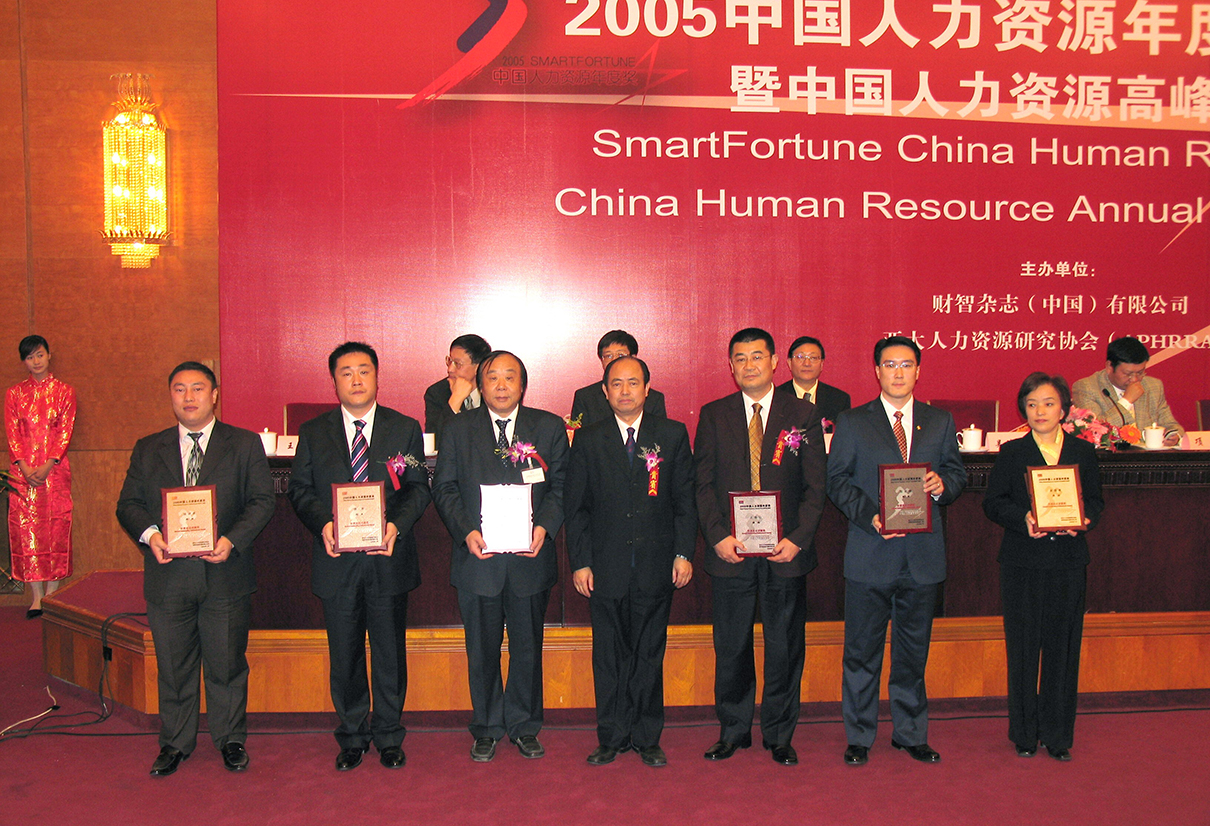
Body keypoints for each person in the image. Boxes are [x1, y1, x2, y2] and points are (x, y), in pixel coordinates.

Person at [116, 362, 275, 777]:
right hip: (168, 577)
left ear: (214, 395)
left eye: (198, 388)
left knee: (227, 663)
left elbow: (262, 501)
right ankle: (175, 742)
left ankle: (231, 739)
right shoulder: (148, 448)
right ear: (170, 395)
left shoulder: (243, 444)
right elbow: (128, 504)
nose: (188, 397)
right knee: (173, 665)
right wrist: (151, 535)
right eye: (179, 389)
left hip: (225, 573)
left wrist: (232, 540)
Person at [287, 342, 431, 771]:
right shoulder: (314, 432)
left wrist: (396, 526)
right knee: (345, 652)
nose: (356, 379)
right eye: (346, 372)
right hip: (337, 560)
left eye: (364, 371)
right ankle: (351, 735)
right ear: (334, 381)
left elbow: (418, 488)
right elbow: (300, 490)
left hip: (388, 557)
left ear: (377, 377)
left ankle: (388, 735)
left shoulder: (403, 428)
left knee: (389, 652)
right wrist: (324, 525)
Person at [827, 335, 967, 767]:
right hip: (870, 552)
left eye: (906, 364)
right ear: (877, 371)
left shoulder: (939, 421)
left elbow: (956, 473)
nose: (898, 372)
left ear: (918, 371)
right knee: (861, 653)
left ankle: (910, 733)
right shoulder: (853, 421)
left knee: (913, 652)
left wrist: (942, 486)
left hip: (922, 558)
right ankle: (859, 735)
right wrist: (871, 516)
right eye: (890, 365)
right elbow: (837, 481)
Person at [695, 328, 826, 767]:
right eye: (740, 358)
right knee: (731, 645)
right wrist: (717, 536)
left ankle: (779, 734)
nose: (749, 365)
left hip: (784, 552)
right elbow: (702, 484)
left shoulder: (802, 413)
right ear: (730, 366)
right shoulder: (715, 414)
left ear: (774, 362)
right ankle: (733, 730)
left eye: (757, 356)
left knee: (784, 646)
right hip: (731, 551)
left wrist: (798, 539)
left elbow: (815, 486)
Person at [432, 351, 568, 762]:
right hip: (479, 558)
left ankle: (524, 726)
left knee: (527, 648)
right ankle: (488, 726)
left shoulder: (548, 426)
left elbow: (562, 485)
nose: (502, 385)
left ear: (523, 385)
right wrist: (466, 531)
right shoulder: (458, 429)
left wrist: (545, 526)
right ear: (481, 384)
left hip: (530, 557)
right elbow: (445, 487)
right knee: (482, 650)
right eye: (493, 377)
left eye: (511, 377)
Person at [564, 356, 696, 767]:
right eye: (616, 384)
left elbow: (684, 502)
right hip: (605, 567)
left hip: (657, 565)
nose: (625, 391)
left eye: (633, 383)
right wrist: (580, 561)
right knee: (608, 656)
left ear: (647, 389)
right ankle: (611, 736)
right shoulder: (588, 439)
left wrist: (683, 553)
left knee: (649, 654)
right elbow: (576, 508)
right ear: (605, 392)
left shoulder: (671, 434)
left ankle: (647, 737)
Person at [983, 373, 1103, 761]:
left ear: (1064, 409)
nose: (1040, 411)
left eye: (1048, 404)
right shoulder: (1012, 452)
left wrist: (1083, 520)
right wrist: (1023, 519)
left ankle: (1058, 735)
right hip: (1022, 561)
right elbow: (993, 503)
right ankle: (1024, 733)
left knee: (1062, 649)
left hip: (1068, 562)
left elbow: (1096, 502)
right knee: (1022, 648)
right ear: (1024, 409)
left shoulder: (1083, 451)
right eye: (1032, 404)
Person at [6, 335, 76, 619]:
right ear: (24, 361)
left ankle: (52, 595)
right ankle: (36, 597)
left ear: (49, 355)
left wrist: (49, 464)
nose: (35, 361)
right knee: (27, 531)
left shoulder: (65, 392)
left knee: (56, 528)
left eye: (39, 355)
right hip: (22, 473)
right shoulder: (14, 394)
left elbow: (65, 431)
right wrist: (24, 467)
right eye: (29, 357)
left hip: (55, 470)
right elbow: (12, 433)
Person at [1071, 336, 1183, 445]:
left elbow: (1171, 425)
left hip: (1148, 455)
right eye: (1128, 374)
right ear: (1109, 367)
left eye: (1140, 372)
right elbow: (1095, 431)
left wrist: (1173, 435)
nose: (1134, 379)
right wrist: (1127, 401)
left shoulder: (1153, 386)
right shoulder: (1086, 388)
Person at [570, 330, 667, 427]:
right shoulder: (585, 397)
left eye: (620, 355)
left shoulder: (653, 399)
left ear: (633, 357)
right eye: (608, 356)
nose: (614, 360)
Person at [424, 334, 492, 450]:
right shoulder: (437, 392)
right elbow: (435, 443)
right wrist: (455, 400)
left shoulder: (494, 392)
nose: (450, 369)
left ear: (479, 367)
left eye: (458, 364)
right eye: (449, 361)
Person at [776, 335, 851, 421]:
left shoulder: (839, 399)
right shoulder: (776, 398)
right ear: (789, 363)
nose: (807, 363)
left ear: (821, 364)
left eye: (813, 358)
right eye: (800, 357)